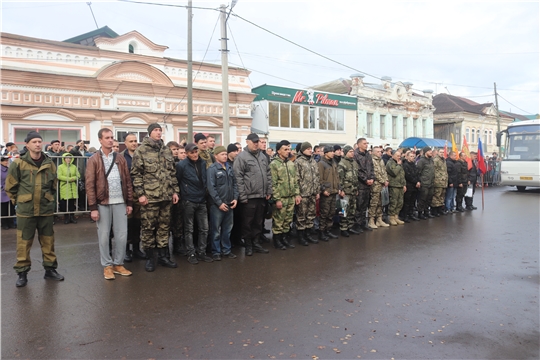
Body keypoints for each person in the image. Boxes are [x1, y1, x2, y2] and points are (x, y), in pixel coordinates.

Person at [5, 131, 64, 287]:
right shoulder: (19, 163)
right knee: (23, 243)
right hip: (26, 210)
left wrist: (50, 200)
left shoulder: (49, 163)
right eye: (34, 142)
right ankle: (22, 273)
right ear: (27, 145)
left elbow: (53, 185)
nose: (38, 144)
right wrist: (18, 202)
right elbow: (10, 187)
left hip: (45, 209)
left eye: (40, 141)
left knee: (48, 241)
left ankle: (50, 270)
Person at [86, 128, 134, 280]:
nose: (110, 140)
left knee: (122, 235)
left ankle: (118, 264)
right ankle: (107, 265)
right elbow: (90, 184)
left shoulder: (120, 158)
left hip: (120, 201)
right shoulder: (93, 159)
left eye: (112, 137)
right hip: (102, 203)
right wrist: (93, 207)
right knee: (104, 235)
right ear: (100, 140)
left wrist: (130, 202)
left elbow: (127, 181)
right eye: (107, 137)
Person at [131, 123, 179, 272]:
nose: (159, 133)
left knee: (164, 227)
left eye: (160, 130)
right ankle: (151, 257)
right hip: (150, 197)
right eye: (156, 130)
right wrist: (141, 194)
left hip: (165, 196)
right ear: (150, 133)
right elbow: (136, 174)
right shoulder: (141, 151)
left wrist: (175, 191)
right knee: (148, 227)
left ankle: (164, 256)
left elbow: (172, 173)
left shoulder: (166, 150)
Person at [233, 133, 272, 256]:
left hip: (261, 195)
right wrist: (242, 196)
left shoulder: (262, 157)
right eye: (254, 142)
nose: (256, 144)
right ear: (247, 142)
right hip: (249, 197)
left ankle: (256, 243)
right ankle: (248, 245)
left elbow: (268, 175)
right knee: (247, 223)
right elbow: (238, 178)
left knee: (258, 221)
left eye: (258, 142)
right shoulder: (241, 157)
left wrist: (268, 191)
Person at [176, 143, 213, 264]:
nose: (195, 154)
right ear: (186, 153)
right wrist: (183, 195)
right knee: (189, 229)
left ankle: (201, 252)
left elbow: (205, 179)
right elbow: (178, 180)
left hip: (202, 199)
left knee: (204, 228)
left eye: (196, 152)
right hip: (189, 200)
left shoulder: (202, 163)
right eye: (192, 152)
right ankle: (191, 253)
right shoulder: (181, 165)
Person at [207, 146, 238, 260]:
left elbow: (234, 184)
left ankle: (226, 250)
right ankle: (216, 252)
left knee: (227, 229)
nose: (225, 156)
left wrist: (235, 198)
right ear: (216, 156)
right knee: (216, 230)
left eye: (225, 154)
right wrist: (219, 203)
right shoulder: (212, 169)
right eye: (222, 154)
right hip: (217, 206)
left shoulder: (229, 167)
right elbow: (211, 188)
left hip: (230, 203)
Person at [269, 140, 301, 249]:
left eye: (289, 149)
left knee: (288, 220)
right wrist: (277, 199)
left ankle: (285, 239)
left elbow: (295, 180)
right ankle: (277, 241)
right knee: (278, 221)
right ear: (278, 151)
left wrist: (297, 195)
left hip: (291, 197)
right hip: (281, 198)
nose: (288, 151)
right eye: (285, 149)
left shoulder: (291, 163)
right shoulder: (274, 164)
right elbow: (273, 183)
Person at [121, 133, 145, 262]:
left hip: (139, 194)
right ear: (125, 143)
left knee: (137, 223)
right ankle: (126, 250)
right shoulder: (121, 158)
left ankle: (136, 249)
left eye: (136, 141)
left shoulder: (141, 155)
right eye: (131, 141)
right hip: (127, 194)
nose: (134, 143)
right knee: (127, 224)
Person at [294, 141, 320, 245]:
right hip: (303, 194)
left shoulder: (313, 161)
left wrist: (317, 191)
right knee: (301, 216)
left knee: (311, 215)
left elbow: (317, 177)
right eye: (308, 149)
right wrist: (297, 194)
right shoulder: (298, 162)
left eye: (311, 148)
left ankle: (308, 234)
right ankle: (301, 236)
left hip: (312, 193)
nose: (310, 150)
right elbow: (296, 178)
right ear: (303, 150)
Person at [318, 145, 342, 240]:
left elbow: (337, 177)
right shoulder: (321, 163)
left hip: (334, 191)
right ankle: (322, 232)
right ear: (326, 153)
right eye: (331, 151)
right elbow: (319, 178)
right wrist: (323, 190)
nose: (333, 153)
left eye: (333, 151)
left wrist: (339, 187)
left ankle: (328, 230)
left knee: (331, 213)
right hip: (326, 192)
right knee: (324, 213)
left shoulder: (334, 163)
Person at [337, 145, 360, 236]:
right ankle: (343, 228)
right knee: (343, 210)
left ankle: (350, 226)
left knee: (352, 210)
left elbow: (356, 177)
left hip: (353, 190)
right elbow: (339, 178)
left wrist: (357, 188)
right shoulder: (342, 163)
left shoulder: (354, 162)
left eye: (353, 151)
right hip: (345, 191)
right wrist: (341, 189)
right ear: (346, 152)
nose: (352, 153)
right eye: (350, 151)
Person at [353, 138, 374, 232]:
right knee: (359, 205)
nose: (366, 145)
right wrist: (365, 180)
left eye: (367, 143)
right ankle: (357, 224)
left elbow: (372, 168)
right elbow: (357, 170)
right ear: (359, 144)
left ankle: (363, 223)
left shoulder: (368, 155)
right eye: (364, 143)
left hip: (368, 185)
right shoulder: (355, 155)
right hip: (360, 184)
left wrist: (372, 178)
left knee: (365, 204)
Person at [368, 147, 389, 229]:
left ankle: (379, 219)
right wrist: (383, 180)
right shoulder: (372, 160)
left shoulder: (381, 160)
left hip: (383, 184)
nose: (380, 153)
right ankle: (371, 220)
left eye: (381, 151)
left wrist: (386, 180)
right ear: (373, 152)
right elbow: (375, 173)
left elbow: (384, 171)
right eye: (378, 151)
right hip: (376, 185)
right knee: (374, 203)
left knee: (381, 202)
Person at [57, 153, 80, 224]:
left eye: (69, 158)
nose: (68, 159)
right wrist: (69, 179)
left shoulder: (74, 166)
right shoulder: (60, 167)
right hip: (64, 187)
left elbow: (78, 175)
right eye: (67, 158)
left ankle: (72, 217)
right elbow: (59, 176)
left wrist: (73, 178)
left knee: (71, 204)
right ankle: (66, 217)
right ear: (64, 159)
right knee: (64, 204)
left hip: (73, 187)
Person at [385, 148, 406, 226]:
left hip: (400, 185)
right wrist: (399, 165)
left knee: (400, 202)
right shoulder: (390, 163)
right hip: (394, 185)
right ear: (393, 155)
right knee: (393, 202)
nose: (399, 157)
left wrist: (404, 184)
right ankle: (392, 218)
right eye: (397, 155)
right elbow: (394, 172)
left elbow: (402, 175)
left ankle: (396, 216)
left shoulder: (399, 163)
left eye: (400, 156)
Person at [416, 146, 435, 219]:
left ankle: (426, 212)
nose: (431, 152)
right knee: (422, 199)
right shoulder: (422, 161)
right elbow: (418, 172)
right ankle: (420, 213)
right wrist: (419, 181)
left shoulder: (431, 160)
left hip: (431, 183)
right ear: (426, 152)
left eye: (431, 151)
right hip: (424, 183)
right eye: (429, 151)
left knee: (429, 198)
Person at [402, 150, 420, 221]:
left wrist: (418, 181)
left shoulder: (414, 165)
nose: (413, 158)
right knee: (407, 202)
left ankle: (411, 214)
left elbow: (417, 174)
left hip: (415, 186)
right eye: (411, 156)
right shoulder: (405, 165)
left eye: (413, 156)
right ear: (407, 157)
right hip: (409, 185)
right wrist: (416, 181)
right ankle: (405, 215)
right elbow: (407, 175)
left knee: (412, 201)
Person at [431, 148, 448, 216]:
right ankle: (434, 210)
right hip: (438, 181)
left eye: (443, 152)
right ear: (437, 152)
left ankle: (439, 209)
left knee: (442, 196)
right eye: (440, 152)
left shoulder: (443, 160)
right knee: (436, 196)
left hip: (443, 181)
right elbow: (434, 171)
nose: (442, 153)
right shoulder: (436, 160)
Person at [1, 156, 16, 229]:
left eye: (7, 160)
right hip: (2, 191)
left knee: (11, 208)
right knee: (3, 208)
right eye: (4, 161)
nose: (6, 162)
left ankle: (11, 223)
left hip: (9, 191)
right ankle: (4, 224)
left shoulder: (9, 169)